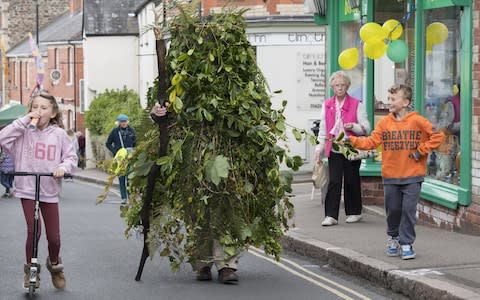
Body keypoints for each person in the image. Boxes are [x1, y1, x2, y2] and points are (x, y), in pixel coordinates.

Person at [346, 84, 444, 260]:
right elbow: (371, 142)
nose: (389, 102)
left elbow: (438, 136)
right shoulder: (384, 123)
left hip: (413, 175)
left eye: (393, 99)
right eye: (389, 98)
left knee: (408, 210)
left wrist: (421, 150)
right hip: (391, 175)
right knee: (393, 209)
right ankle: (393, 237)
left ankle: (406, 243)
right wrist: (351, 140)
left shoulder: (418, 121)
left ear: (405, 102)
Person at [0, 90, 78, 289]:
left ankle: (55, 264)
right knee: (33, 231)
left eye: (43, 108)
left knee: (54, 237)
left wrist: (62, 168)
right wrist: (24, 121)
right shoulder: (23, 132)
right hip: (27, 189)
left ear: (52, 113)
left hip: (49, 190)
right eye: (35, 107)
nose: (38, 111)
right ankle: (30, 271)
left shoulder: (59, 134)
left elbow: (71, 157)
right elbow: (3, 139)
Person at [314, 71, 371, 226]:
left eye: (343, 85)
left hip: (351, 148)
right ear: (332, 86)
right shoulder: (327, 105)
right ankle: (330, 215)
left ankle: (354, 212)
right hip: (334, 147)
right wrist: (318, 149)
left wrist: (354, 126)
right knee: (334, 181)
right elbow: (323, 129)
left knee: (352, 180)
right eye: (337, 85)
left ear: (347, 86)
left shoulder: (357, 104)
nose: (340, 88)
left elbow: (366, 128)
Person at [106, 114, 136, 204]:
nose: (124, 123)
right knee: (121, 177)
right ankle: (123, 197)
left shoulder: (131, 131)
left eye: (125, 121)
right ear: (119, 122)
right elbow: (108, 143)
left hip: (130, 157)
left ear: (127, 122)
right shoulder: (115, 132)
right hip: (120, 158)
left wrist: (134, 151)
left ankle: (130, 196)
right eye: (122, 122)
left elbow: (136, 142)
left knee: (130, 178)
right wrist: (115, 151)